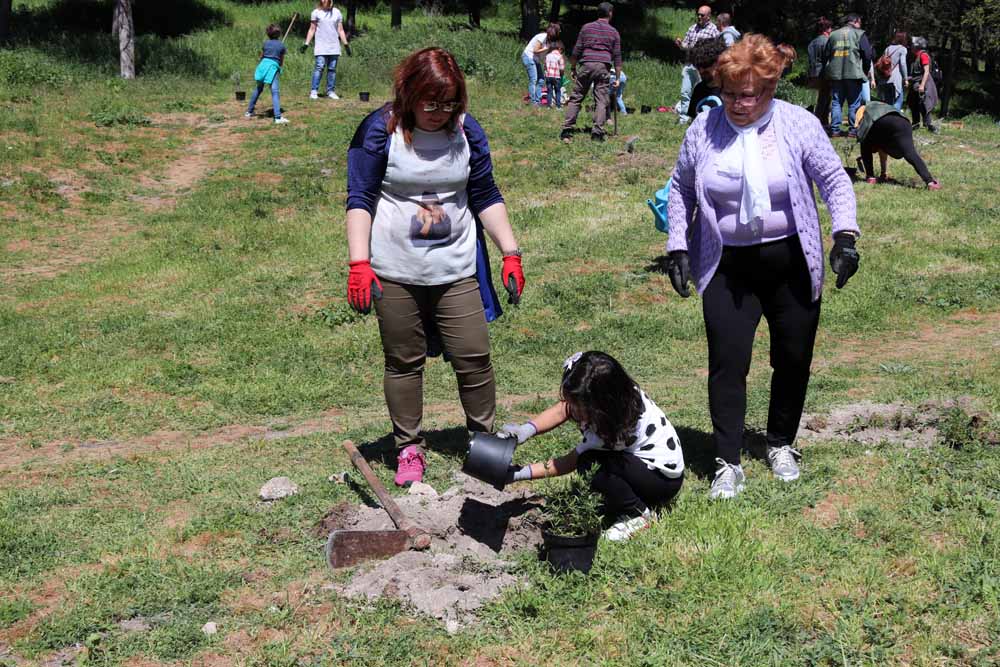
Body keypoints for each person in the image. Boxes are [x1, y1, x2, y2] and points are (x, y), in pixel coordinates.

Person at [665, 34, 860, 500]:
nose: (738, 103)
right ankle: (727, 461)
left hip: (791, 260)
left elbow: (833, 179)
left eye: (748, 95)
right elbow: (680, 189)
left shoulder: (799, 124)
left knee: (793, 358)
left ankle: (780, 442)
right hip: (726, 264)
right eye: (730, 93)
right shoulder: (703, 129)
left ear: (770, 89)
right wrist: (678, 246)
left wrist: (845, 236)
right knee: (727, 362)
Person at [345, 47, 525, 486]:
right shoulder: (379, 130)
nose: (438, 112)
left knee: (474, 355)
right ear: (409, 93)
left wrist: (510, 251)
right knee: (403, 360)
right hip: (395, 270)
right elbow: (360, 198)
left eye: (448, 103)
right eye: (430, 102)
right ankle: (408, 446)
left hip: (456, 268)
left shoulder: (466, 132)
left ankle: (483, 440)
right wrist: (359, 263)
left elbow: (485, 194)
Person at [500, 351, 684, 542]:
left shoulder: (618, 429)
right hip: (647, 470)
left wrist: (519, 474)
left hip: (661, 482)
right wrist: (527, 429)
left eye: (579, 406)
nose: (573, 409)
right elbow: (563, 409)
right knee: (596, 464)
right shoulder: (618, 398)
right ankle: (624, 499)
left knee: (589, 462)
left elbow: (567, 463)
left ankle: (637, 514)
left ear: (600, 406)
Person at [560, 2, 622, 143]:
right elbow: (617, 57)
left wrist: (573, 68)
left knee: (576, 97)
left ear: (598, 13)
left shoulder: (586, 28)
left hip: (586, 65)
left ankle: (567, 130)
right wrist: (617, 78)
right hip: (603, 67)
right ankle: (597, 133)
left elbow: (576, 51)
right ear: (610, 13)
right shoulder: (613, 32)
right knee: (601, 100)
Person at [856, 102, 940, 189]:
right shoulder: (879, 105)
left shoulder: (862, 110)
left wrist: (864, 147)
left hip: (884, 123)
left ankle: (870, 177)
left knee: (864, 142)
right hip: (904, 122)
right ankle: (930, 182)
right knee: (910, 153)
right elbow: (882, 150)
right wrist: (883, 173)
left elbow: (861, 133)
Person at [823, 13, 874, 137]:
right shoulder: (859, 34)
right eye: (859, 22)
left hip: (836, 74)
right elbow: (867, 54)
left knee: (836, 103)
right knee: (854, 103)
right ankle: (853, 130)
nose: (860, 25)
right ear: (855, 21)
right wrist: (865, 70)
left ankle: (835, 130)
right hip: (854, 74)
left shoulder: (833, 34)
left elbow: (826, 54)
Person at [674, 6, 720, 121]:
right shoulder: (692, 28)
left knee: (702, 92)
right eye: (698, 14)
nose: (699, 17)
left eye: (702, 15)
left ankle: (701, 117)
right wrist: (681, 45)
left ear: (708, 17)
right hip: (690, 64)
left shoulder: (714, 30)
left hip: (704, 68)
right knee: (685, 92)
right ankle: (683, 118)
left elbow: (716, 50)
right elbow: (686, 45)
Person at [303, 0, 348, 100]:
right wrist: (306, 43)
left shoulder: (337, 12)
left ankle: (330, 91)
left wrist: (346, 44)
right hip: (321, 45)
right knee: (319, 67)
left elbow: (340, 30)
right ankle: (314, 91)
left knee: (332, 69)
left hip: (334, 46)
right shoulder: (316, 13)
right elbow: (312, 29)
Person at [245, 24, 289, 125]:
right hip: (272, 68)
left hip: (262, 66)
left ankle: (249, 112)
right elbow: (281, 61)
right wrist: (279, 64)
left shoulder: (265, 43)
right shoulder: (281, 45)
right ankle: (278, 117)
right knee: (275, 91)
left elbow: (262, 55)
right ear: (279, 34)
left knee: (258, 89)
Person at [684, 36, 726, 120]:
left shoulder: (731, 90)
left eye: (705, 65)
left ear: (719, 62)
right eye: (698, 65)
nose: (701, 70)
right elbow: (694, 122)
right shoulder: (699, 89)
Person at [907, 36, 940, 133]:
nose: (911, 47)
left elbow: (926, 72)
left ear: (917, 46)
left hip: (923, 83)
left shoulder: (923, 55)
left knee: (924, 105)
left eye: (912, 45)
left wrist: (922, 85)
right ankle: (915, 124)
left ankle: (929, 125)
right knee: (913, 103)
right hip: (915, 83)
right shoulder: (914, 55)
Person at [807, 17, 833, 131]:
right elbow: (828, 59)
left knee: (823, 97)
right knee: (824, 98)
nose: (831, 30)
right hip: (824, 73)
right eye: (830, 27)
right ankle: (818, 121)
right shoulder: (827, 41)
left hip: (813, 72)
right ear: (826, 29)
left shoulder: (812, 42)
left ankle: (824, 121)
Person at [877, 32, 909, 110]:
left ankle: (888, 120)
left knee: (888, 103)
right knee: (898, 101)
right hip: (895, 79)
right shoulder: (902, 49)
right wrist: (906, 78)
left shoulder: (887, 48)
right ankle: (894, 119)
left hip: (885, 78)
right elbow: (903, 63)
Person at [521, 26, 549, 106]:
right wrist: (546, 48)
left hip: (536, 59)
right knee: (533, 79)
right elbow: (535, 50)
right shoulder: (543, 36)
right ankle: (533, 102)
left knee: (541, 80)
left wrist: (545, 64)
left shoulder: (548, 41)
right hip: (528, 57)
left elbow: (542, 55)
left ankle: (538, 100)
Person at [544, 41, 565, 109]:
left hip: (548, 76)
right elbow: (562, 68)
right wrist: (562, 75)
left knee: (549, 91)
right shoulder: (560, 56)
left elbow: (545, 66)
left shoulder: (547, 55)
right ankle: (558, 106)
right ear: (559, 49)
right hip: (556, 76)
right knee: (557, 91)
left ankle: (548, 106)